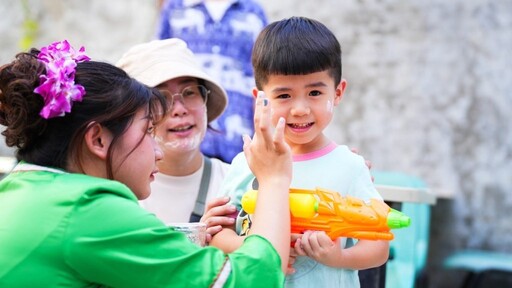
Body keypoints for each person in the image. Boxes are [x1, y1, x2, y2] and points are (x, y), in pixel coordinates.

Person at [0, 40, 292, 286]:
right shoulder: (89, 209)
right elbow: (255, 279)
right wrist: (274, 180)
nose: (158, 152)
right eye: (148, 130)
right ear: (98, 140)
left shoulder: (21, 188)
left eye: (190, 92)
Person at [210, 17, 389, 287]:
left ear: (338, 93)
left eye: (315, 92)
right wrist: (255, 246)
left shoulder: (350, 166)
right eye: (284, 96)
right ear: (260, 99)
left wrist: (338, 257)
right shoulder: (248, 162)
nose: (300, 109)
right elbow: (217, 233)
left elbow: (378, 246)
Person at [116, 38, 233, 239]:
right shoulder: (116, 198)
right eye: (160, 98)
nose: (179, 109)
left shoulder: (235, 181)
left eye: (189, 93)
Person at [157, 0, 268, 163]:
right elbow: (160, 63)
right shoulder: (175, 8)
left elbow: (263, 73)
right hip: (188, 131)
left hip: (239, 133)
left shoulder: (253, 11)